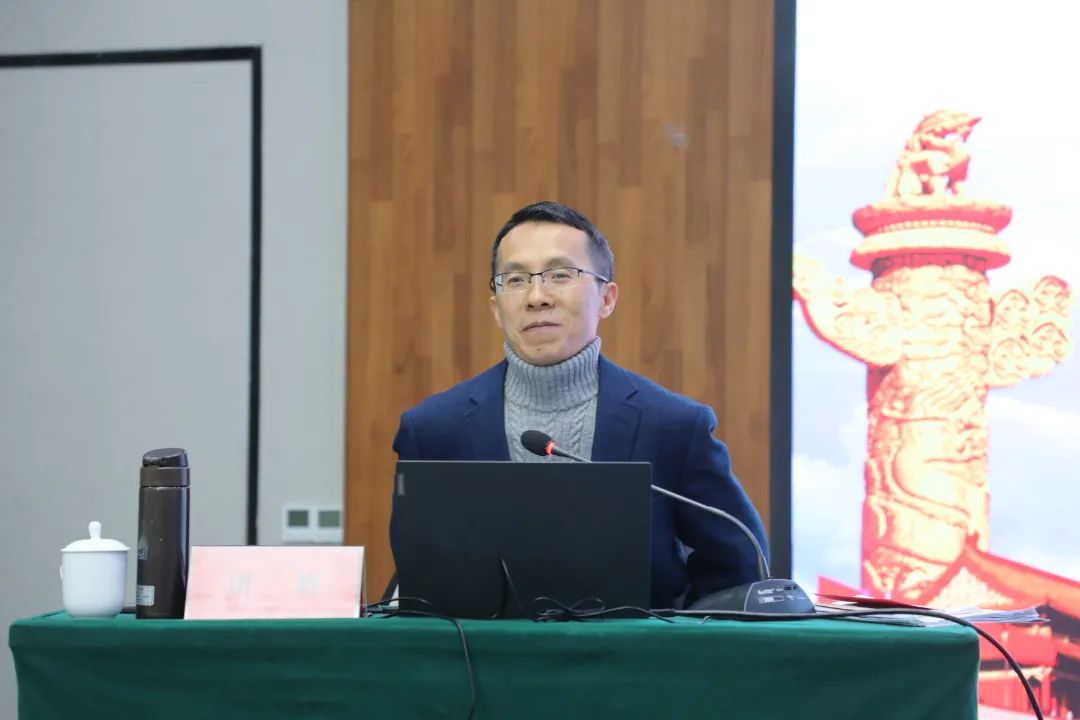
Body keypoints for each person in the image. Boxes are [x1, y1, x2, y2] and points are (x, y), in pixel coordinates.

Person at [389, 200, 767, 609]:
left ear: (607, 298)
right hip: (479, 652)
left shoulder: (674, 426)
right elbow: (419, 577)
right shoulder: (433, 431)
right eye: (515, 280)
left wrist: (675, 637)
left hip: (635, 649)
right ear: (496, 308)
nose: (537, 297)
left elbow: (739, 571)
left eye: (560, 275)